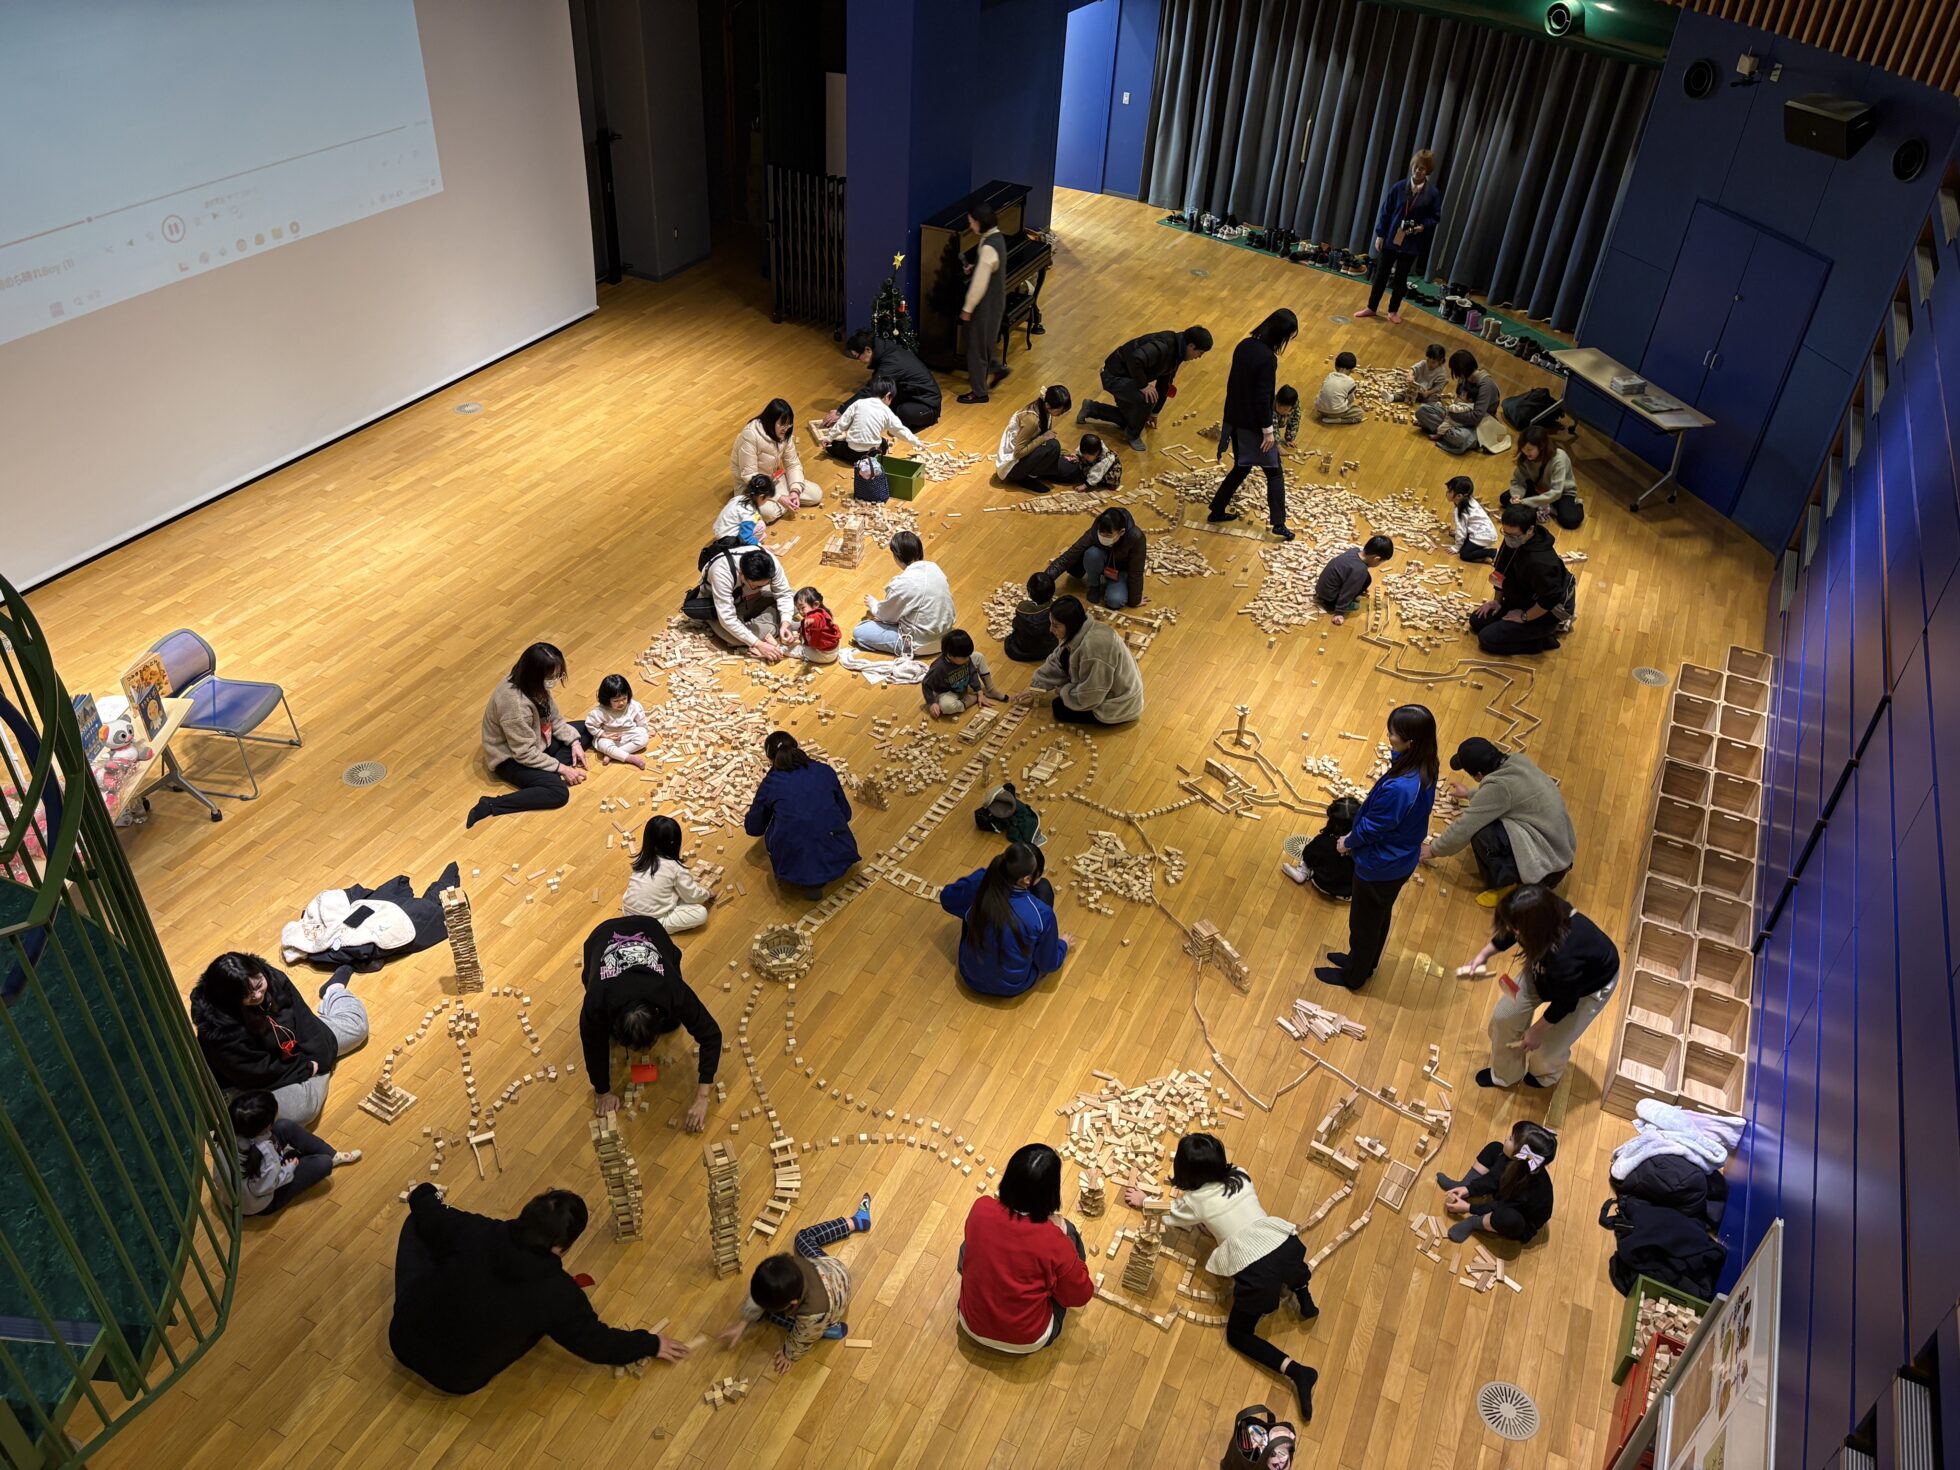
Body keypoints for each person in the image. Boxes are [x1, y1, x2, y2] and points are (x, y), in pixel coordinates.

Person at [389, 1185, 682, 1393]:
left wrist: (426, 1191)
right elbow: (597, 1343)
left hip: (404, 1337)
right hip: (458, 1377)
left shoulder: (477, 1231)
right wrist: (650, 1344)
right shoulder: (559, 1294)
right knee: (542, 1320)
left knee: (422, 1225)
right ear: (560, 1247)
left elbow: (426, 1209)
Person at [1122, 1135, 1319, 1420]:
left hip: (1258, 1274)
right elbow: (1229, 1210)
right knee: (1289, 1262)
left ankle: (1296, 1371)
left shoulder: (1194, 1201)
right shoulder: (1240, 1174)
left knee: (1238, 1335)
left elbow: (1167, 1216)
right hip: (1284, 1244)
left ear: (1185, 1173)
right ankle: (1304, 1297)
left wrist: (1144, 1201)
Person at [1315, 704, 1437, 991]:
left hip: (1380, 865)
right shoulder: (1426, 762)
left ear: (1411, 742)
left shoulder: (1401, 788)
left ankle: (1354, 976)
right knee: (1377, 917)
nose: (1389, 738)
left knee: (1364, 925)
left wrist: (1347, 842)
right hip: (1398, 860)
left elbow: (1373, 828)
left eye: (1393, 734)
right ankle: (1362, 962)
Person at [1461, 885, 1620, 1089]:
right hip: (1546, 969)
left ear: (1534, 931)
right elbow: (1512, 929)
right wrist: (1484, 955)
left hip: (1588, 987)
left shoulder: (1564, 959)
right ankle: (1506, 1075)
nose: (1513, 933)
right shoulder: (1540, 910)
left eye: (1517, 931)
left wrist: (1537, 1030)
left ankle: (1545, 1075)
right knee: (1504, 1017)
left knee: (1547, 1052)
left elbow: (1566, 1002)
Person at [190, 952, 369, 1124]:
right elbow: (255, 1072)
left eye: (259, 985)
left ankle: (334, 990)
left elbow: (303, 1018)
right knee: (302, 1110)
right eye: (247, 995)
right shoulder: (219, 1030)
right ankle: (321, 1069)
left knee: (357, 1028)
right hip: (255, 1078)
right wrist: (307, 1067)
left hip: (291, 1047)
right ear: (229, 998)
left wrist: (317, 1054)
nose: (257, 996)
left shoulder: (273, 978)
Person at [579, 913, 721, 1127]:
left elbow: (711, 1035)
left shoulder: (672, 989)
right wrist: (602, 1092)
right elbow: (592, 1045)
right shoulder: (596, 1001)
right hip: (602, 935)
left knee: (673, 1024)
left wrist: (703, 1096)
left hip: (650, 929)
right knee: (600, 1033)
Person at [957, 1143, 1095, 1352]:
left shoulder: (981, 1208)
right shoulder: (1056, 1240)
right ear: (1051, 1192)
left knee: (969, 1243)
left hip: (970, 1323)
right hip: (1028, 1339)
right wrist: (1063, 1235)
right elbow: (1079, 1296)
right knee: (1071, 1236)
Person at [716, 1194, 872, 1373]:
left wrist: (788, 1355)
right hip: (833, 1270)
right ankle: (855, 1222)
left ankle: (829, 1329)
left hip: (829, 1309)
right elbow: (764, 1289)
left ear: (792, 1303)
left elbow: (801, 1341)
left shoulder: (813, 1313)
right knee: (803, 1237)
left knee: (770, 1317)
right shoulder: (789, 1264)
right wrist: (743, 1323)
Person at [1422, 737, 1576, 905]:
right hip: (1562, 850)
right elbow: (1508, 795)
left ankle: (1510, 886)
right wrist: (1470, 794)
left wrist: (1434, 849)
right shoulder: (1517, 760)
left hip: (1547, 869)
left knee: (1481, 834)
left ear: (1479, 775)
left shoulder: (1499, 788)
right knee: (1493, 821)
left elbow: (1464, 827)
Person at [1205, 309, 1298, 541]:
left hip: (1235, 419)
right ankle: (1279, 524)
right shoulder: (1268, 358)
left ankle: (1217, 509)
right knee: (1275, 473)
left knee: (1242, 466)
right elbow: (1262, 397)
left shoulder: (1244, 345)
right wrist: (1268, 431)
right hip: (1253, 425)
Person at [468, 642, 585, 826]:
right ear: (535, 675)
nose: (555, 680)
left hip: (537, 741)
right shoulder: (515, 706)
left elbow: (554, 718)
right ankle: (491, 804)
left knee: (584, 729)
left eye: (558, 675)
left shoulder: (533, 683)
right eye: (551, 676)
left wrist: (574, 743)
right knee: (558, 793)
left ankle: (548, 770)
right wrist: (563, 768)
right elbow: (524, 753)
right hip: (512, 758)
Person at [938, 842, 1071, 997]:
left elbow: (947, 898)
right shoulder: (1042, 913)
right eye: (1039, 875)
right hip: (1012, 986)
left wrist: (978, 879)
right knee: (1043, 889)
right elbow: (1048, 964)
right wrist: (1062, 945)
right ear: (1027, 879)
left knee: (969, 909)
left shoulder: (983, 880)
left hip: (970, 975)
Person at [743, 730, 860, 899]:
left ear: (770, 759)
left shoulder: (771, 783)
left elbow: (754, 829)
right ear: (796, 748)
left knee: (773, 830)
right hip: (840, 856)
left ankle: (808, 879)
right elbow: (846, 814)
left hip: (795, 870)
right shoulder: (824, 770)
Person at [1013, 595, 1144, 725]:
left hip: (1121, 704)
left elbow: (1091, 695)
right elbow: (1057, 659)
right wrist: (1036, 686)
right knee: (1065, 660)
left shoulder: (1095, 649)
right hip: (1103, 684)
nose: (1051, 629)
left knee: (1059, 707)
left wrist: (1064, 691)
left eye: (1055, 625)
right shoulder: (1079, 629)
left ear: (1070, 625)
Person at [1079, 325, 1212, 452]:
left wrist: (1154, 413)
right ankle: (1132, 436)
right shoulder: (1164, 346)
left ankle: (1091, 408)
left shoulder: (1177, 353)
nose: (1199, 357)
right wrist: (1143, 385)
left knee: (1132, 420)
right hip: (1113, 376)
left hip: (1128, 378)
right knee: (1148, 398)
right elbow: (1135, 359)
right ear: (1191, 346)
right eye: (1200, 353)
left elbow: (1165, 384)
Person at [231, 1089, 359, 1216]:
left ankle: (333, 1155)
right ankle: (329, 1158)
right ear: (267, 1126)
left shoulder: (232, 1132)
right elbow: (262, 1188)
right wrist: (288, 1169)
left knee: (284, 1126)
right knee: (324, 1163)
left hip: (245, 1187)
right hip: (261, 1201)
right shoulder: (266, 1155)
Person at [1355, 149, 1442, 324]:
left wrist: (1422, 226)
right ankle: (1371, 307)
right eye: (1415, 166)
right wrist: (1380, 235)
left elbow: (1435, 217)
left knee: (1401, 278)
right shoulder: (1399, 187)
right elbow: (1385, 211)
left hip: (1412, 242)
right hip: (1391, 239)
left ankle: (1393, 311)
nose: (1417, 171)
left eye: (1422, 168)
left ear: (1428, 171)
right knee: (1381, 275)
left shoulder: (1432, 194)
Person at [1435, 1121, 1558, 1244]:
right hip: (1507, 1190)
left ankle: (1473, 1223)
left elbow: (1499, 1206)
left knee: (1508, 1218)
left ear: (1520, 1155)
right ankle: (1464, 1185)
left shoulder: (1530, 1191)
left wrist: (1469, 1208)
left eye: (1511, 1139)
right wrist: (1468, 1189)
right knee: (1495, 1148)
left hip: (1518, 1216)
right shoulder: (1519, 1163)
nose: (1506, 1138)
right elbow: (1492, 1178)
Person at [1469, 505, 1569, 656]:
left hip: (1542, 614)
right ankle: (1521, 628)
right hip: (1519, 599)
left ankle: (1541, 641)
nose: (1508, 539)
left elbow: (1550, 598)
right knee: (1476, 621)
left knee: (1487, 639)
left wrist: (1525, 616)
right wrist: (1497, 601)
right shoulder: (1514, 540)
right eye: (1505, 533)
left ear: (1530, 530)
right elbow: (1501, 571)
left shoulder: (1541, 562)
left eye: (1513, 535)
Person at [853, 530, 955, 655]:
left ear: (897, 556)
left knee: (860, 631)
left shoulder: (902, 583)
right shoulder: (934, 568)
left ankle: (904, 648)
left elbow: (886, 615)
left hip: (919, 644)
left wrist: (873, 604)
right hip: (945, 636)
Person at [623, 814, 716, 933]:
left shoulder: (642, 859)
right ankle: (655, 929)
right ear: (674, 843)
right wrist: (707, 893)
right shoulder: (675, 867)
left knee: (672, 890)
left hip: (628, 913)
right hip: (652, 922)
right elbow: (693, 897)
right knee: (701, 913)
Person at [831, 329, 941, 431]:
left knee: (902, 412)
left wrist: (841, 411)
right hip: (909, 395)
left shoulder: (891, 362)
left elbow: (871, 389)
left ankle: (915, 420)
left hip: (928, 405)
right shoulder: (885, 349)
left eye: (857, 356)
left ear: (867, 350)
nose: (859, 361)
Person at [703, 547, 796, 662]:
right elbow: (727, 619)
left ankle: (768, 624)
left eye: (765, 584)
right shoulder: (721, 572)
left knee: (795, 598)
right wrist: (758, 644)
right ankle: (769, 624)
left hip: (749, 598)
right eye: (756, 586)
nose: (761, 587)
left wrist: (786, 622)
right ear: (741, 573)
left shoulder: (770, 563)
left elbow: (784, 593)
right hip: (718, 607)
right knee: (735, 639)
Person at [1046, 506, 1146, 610]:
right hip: (1102, 563)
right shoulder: (1096, 529)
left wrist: (1135, 600)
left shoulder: (1136, 537)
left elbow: (1136, 572)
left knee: (1115, 601)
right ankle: (1094, 586)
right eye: (1101, 533)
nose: (1104, 537)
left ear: (1121, 532)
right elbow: (1070, 555)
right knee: (1092, 553)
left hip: (1121, 571)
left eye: (1108, 535)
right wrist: (1045, 580)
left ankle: (1114, 584)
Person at [958, 203, 1010, 403]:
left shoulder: (988, 247)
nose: (970, 226)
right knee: (985, 341)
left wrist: (967, 308)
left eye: (972, 222)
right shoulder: (996, 237)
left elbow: (979, 285)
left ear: (980, 222)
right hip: (996, 302)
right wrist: (975, 267)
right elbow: (988, 267)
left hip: (985, 305)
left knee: (976, 347)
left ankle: (979, 392)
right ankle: (996, 368)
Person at [729, 399, 822, 508]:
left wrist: (794, 491)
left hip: (772, 480)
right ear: (771, 420)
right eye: (782, 424)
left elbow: (793, 464)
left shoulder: (784, 434)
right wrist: (780, 498)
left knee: (816, 494)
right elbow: (749, 476)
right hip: (751, 486)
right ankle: (780, 502)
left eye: (788, 424)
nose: (786, 429)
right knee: (769, 511)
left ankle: (784, 501)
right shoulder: (750, 435)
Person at [1415, 348, 1504, 455]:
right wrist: (1449, 414)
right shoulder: (1465, 378)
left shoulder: (1486, 386)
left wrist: (1452, 415)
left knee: (1460, 438)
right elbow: (1458, 401)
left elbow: (1476, 417)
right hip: (1456, 416)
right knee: (1422, 411)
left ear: (1461, 371)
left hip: (1478, 425)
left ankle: (1441, 431)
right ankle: (1443, 431)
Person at [826, 378, 927, 463]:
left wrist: (829, 438)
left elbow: (842, 423)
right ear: (887, 396)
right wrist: (916, 442)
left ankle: (850, 458)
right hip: (871, 454)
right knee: (884, 443)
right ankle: (869, 460)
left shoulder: (859, 403)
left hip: (851, 453)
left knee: (832, 446)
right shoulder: (887, 411)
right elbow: (900, 430)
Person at [1502, 424, 1583, 529]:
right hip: (1538, 488)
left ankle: (1572, 504)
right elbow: (1518, 481)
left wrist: (1525, 502)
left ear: (1541, 446)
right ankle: (1542, 504)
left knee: (1570, 520)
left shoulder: (1559, 459)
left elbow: (1556, 492)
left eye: (1529, 449)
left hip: (1560, 493)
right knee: (1505, 499)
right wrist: (1516, 495)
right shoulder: (1525, 457)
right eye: (1522, 448)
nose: (1525, 452)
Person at [1278, 795, 1360, 900]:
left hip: (1323, 884)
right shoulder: (1365, 841)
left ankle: (1302, 871)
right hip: (1351, 891)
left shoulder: (1323, 842)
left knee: (1311, 852)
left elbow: (1308, 854)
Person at [994, 386, 1074, 492]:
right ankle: (1027, 478)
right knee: (1053, 445)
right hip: (1011, 468)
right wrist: (1043, 438)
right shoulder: (1031, 420)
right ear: (1048, 405)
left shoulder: (1045, 409)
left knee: (1070, 470)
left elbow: (1043, 437)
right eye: (1061, 411)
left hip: (1025, 458)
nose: (1061, 413)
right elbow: (1018, 453)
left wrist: (1065, 454)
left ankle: (1034, 473)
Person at [921, 629, 1006, 719]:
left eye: (968, 655)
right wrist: (931, 703)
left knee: (979, 656)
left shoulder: (965, 659)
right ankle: (973, 699)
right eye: (965, 657)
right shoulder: (938, 668)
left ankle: (990, 690)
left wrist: (979, 691)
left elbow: (972, 672)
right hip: (948, 691)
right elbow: (926, 684)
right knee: (946, 706)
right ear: (950, 654)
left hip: (961, 682)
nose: (968, 659)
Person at [1314, 535, 1394, 623]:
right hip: (1329, 599)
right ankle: (1336, 605)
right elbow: (1348, 591)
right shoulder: (1359, 570)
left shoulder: (1354, 551)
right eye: (1381, 562)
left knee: (1366, 578)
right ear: (1376, 559)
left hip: (1321, 589)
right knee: (1364, 580)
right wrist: (1339, 612)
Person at [582, 673, 649, 769]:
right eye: (616, 701)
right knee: (602, 744)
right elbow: (590, 724)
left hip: (630, 733)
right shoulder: (600, 711)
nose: (621, 703)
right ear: (607, 700)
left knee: (644, 739)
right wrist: (602, 734)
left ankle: (613, 755)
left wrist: (645, 730)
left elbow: (641, 720)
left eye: (624, 698)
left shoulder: (634, 706)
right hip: (610, 736)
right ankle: (628, 758)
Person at [1002, 571, 1058, 663]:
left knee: (1011, 638)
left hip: (1021, 651)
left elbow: (1015, 625)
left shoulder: (1022, 607)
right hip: (1048, 649)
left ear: (1029, 592)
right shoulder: (1055, 608)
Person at [713, 475, 782, 547]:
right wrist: (760, 547)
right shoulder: (749, 513)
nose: (766, 501)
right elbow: (745, 537)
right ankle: (741, 547)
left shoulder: (738, 498)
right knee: (761, 525)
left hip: (719, 531)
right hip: (729, 541)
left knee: (757, 522)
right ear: (761, 497)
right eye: (767, 499)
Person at [1445, 475, 1498, 563]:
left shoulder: (1460, 510)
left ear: (1459, 496)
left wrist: (1456, 547)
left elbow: (1461, 530)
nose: (1446, 493)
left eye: (1449, 491)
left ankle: (1493, 552)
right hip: (1488, 532)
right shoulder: (1470, 500)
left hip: (1483, 537)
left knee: (1465, 554)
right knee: (1462, 541)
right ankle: (1482, 554)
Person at [791, 586, 841, 665]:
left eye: (802, 608)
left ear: (816, 604)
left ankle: (780, 649)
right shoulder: (814, 615)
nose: (800, 612)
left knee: (796, 651)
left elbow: (818, 622)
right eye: (798, 609)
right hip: (831, 649)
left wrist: (813, 621)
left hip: (825, 655)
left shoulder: (817, 616)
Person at [1314, 351, 1364, 425]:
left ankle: (1328, 414)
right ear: (1352, 370)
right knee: (1359, 413)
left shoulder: (1329, 375)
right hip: (1336, 413)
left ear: (1335, 366)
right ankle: (1337, 420)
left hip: (1319, 409)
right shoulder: (1351, 382)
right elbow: (1351, 400)